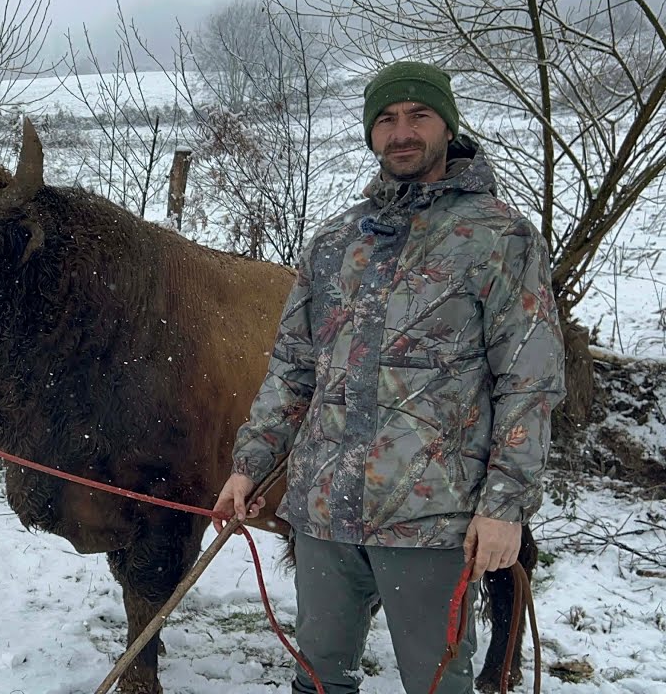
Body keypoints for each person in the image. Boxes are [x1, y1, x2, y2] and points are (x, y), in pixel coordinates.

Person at [213, 61, 566, 693]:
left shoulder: (498, 237)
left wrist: (505, 507)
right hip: (324, 514)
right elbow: (294, 367)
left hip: (432, 518)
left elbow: (529, 381)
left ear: (447, 126)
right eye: (386, 119)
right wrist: (249, 463)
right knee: (321, 678)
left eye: (417, 116)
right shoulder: (335, 240)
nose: (401, 132)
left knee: (437, 683)